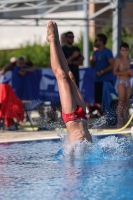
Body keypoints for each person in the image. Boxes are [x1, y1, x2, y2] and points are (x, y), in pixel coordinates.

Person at [46, 20, 92, 143]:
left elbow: (68, 159)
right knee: (70, 76)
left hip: (71, 117)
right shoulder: (89, 151)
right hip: (82, 116)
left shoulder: (72, 151)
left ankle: (51, 40)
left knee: (62, 76)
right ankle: (57, 41)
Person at [90, 33, 114, 106]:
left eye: (96, 40)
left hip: (106, 80)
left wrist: (102, 71)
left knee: (107, 99)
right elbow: (93, 67)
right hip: (97, 80)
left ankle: (107, 115)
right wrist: (91, 61)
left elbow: (113, 65)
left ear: (102, 41)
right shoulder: (95, 52)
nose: (95, 42)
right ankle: (101, 114)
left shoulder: (107, 52)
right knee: (98, 99)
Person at [114, 42, 133, 128]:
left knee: (126, 102)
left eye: (126, 50)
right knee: (121, 102)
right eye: (123, 50)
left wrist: (130, 73)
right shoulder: (119, 60)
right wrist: (127, 72)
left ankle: (125, 121)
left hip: (128, 81)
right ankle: (119, 121)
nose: (124, 52)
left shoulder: (129, 60)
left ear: (128, 51)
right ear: (120, 51)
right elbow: (115, 72)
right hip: (121, 81)